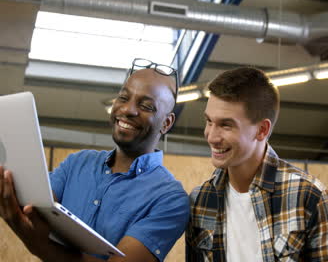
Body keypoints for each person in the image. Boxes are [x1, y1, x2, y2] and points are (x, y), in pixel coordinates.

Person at [0, 59, 190, 262]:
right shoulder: (77, 163)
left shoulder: (170, 198)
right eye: (123, 98)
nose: (127, 110)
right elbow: (34, 212)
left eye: (146, 106)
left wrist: (40, 246)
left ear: (167, 123)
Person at [186, 67, 328, 261]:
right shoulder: (200, 200)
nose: (212, 136)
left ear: (262, 130)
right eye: (208, 121)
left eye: (226, 125)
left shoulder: (309, 196)